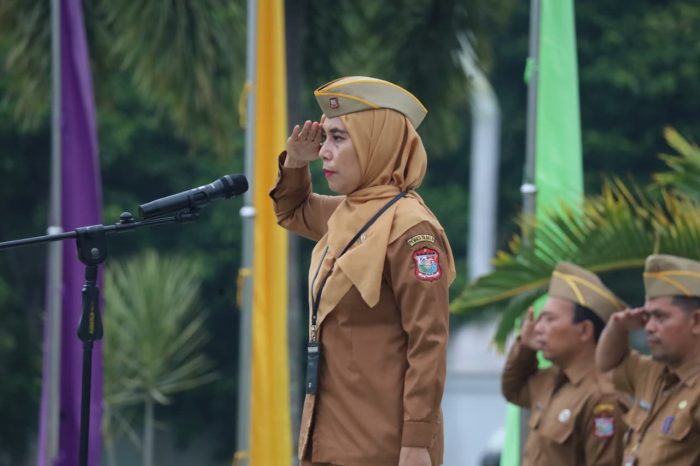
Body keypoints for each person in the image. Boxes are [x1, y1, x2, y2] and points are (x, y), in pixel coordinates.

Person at [269, 76, 456, 466]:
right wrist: (296, 161)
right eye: (325, 138)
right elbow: (291, 210)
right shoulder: (349, 213)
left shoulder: (411, 230)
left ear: (377, 142)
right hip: (330, 439)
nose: (325, 152)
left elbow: (428, 344)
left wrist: (417, 441)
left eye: (339, 138)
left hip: (383, 447)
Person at [501, 262, 627, 466]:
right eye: (539, 320)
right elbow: (513, 389)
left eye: (549, 320)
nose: (538, 328)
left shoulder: (602, 397)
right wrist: (525, 348)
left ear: (584, 330)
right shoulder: (550, 379)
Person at [596, 254, 700, 465]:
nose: (649, 327)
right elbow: (606, 366)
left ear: (696, 321)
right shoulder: (653, 371)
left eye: (660, 317)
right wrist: (618, 327)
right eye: (648, 316)